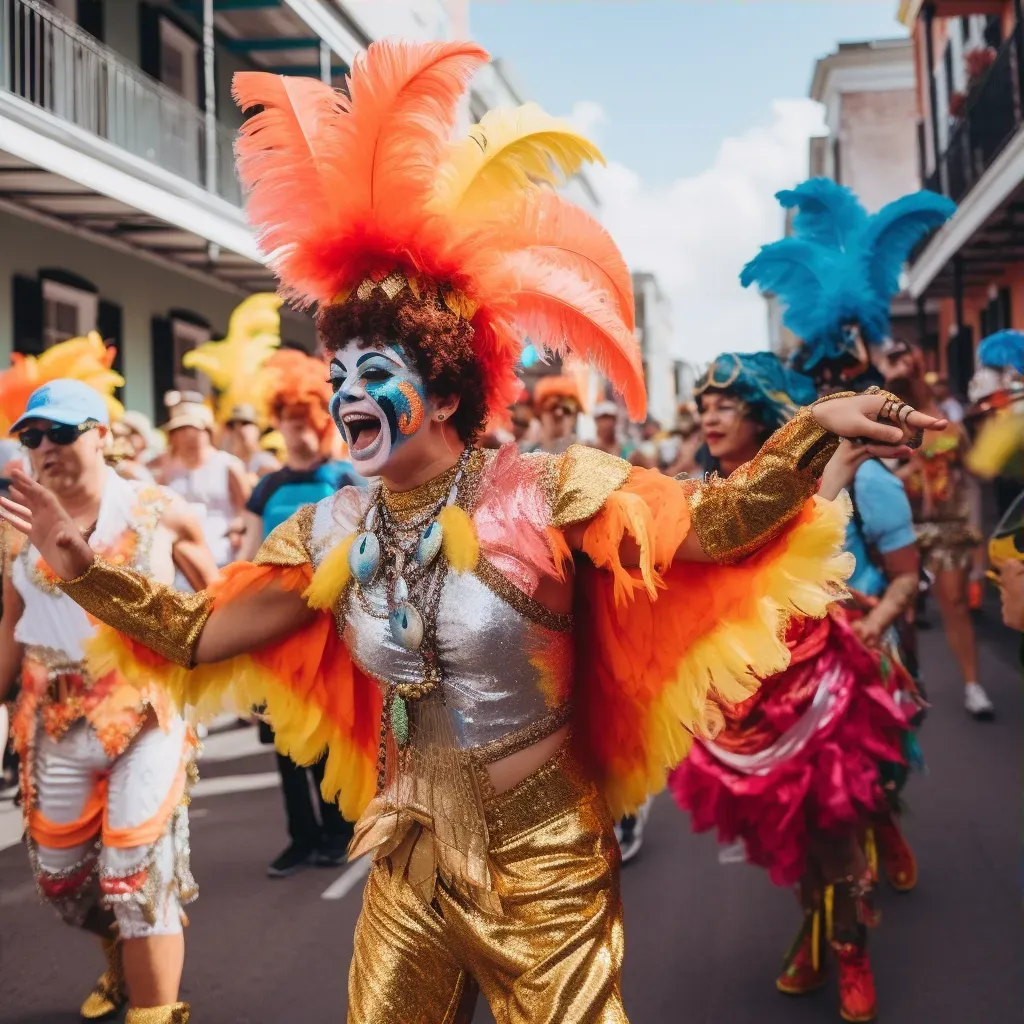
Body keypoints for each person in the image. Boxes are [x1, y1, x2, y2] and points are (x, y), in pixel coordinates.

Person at [1, 41, 943, 1022]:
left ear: (445, 388)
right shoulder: (329, 527)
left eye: (375, 374)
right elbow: (196, 634)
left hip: (545, 860)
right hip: (407, 856)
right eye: (339, 377)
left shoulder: (547, 490)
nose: (346, 396)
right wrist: (82, 569)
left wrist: (811, 426)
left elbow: (712, 522)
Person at [670, 353, 921, 1024]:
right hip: (747, 697)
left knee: (836, 823)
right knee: (792, 831)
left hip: (821, 679)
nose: (709, 417)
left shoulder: (813, 477)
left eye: (723, 404)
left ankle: (849, 948)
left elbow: (827, 521)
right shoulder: (697, 493)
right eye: (702, 408)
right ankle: (816, 922)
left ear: (757, 413)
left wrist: (845, 452)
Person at [0, 378, 218, 1024]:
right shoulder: (14, 529)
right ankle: (123, 954)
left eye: (62, 433)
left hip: (145, 712)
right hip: (51, 715)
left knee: (136, 872)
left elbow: (218, 601)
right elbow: (9, 623)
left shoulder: (159, 510)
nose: (46, 447)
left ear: (102, 435)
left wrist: (249, 679)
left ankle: (154, 1010)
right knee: (61, 880)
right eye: (32, 436)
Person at [238, 349, 363, 876]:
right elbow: (245, 557)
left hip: (330, 624)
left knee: (325, 728)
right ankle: (302, 836)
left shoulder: (342, 477)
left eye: (304, 423)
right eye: (287, 425)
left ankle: (338, 831)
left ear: (321, 422)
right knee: (283, 739)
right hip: (274, 626)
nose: (297, 435)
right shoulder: (266, 485)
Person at [877, 342, 993, 719]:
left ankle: (973, 685)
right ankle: (905, 683)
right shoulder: (885, 423)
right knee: (899, 609)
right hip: (900, 526)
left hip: (946, 525)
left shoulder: (948, 422)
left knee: (956, 603)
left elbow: (975, 472)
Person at [158, 392, 251, 577]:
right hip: (180, 563)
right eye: (178, 430)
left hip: (223, 558)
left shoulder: (229, 466)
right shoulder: (167, 471)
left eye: (188, 428)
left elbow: (248, 511)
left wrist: (238, 534)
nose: (182, 435)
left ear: (205, 430)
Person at [223, 403, 281, 484]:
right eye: (232, 425)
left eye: (245, 423)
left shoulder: (264, 459)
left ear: (256, 429)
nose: (239, 429)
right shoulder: (225, 459)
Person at [528, 375, 582, 455]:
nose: (559, 413)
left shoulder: (585, 456)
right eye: (552, 407)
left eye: (566, 409)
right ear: (540, 414)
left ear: (574, 417)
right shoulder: (526, 454)